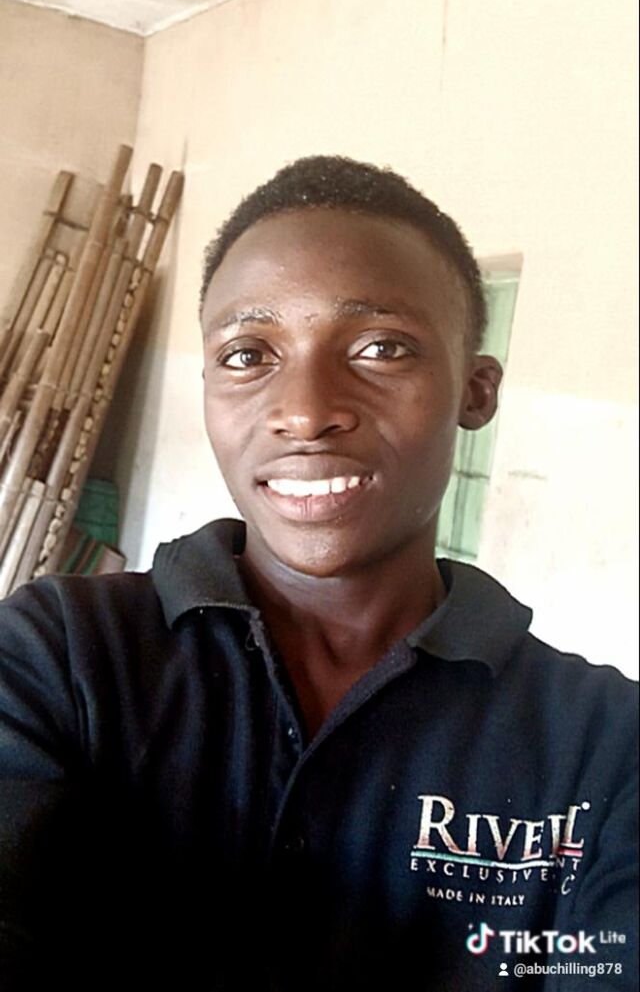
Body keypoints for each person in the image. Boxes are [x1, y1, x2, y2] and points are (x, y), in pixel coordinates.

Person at [0, 155, 637, 992]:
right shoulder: (59, 657)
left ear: (476, 391)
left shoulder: (603, 746)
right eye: (247, 354)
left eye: (380, 348)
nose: (304, 412)